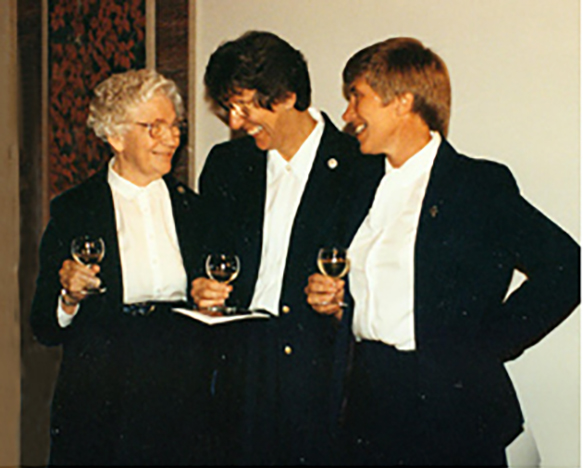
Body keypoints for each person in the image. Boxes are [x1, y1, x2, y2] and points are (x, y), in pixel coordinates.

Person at [306, 37, 581, 466]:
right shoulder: (359, 184)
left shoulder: (476, 186)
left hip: (448, 411)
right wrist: (341, 305)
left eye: (357, 98)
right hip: (367, 401)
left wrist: (489, 343)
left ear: (403, 102)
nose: (347, 114)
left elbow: (568, 267)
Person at [192, 31, 382, 465]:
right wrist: (202, 288)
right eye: (229, 108)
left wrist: (341, 299)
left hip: (318, 373)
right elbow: (206, 259)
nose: (235, 122)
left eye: (245, 106)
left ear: (287, 96)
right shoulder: (226, 166)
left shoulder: (362, 167)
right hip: (238, 367)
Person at [30, 69, 212, 466]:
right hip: (102, 389)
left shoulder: (195, 209)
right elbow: (43, 324)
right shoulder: (74, 210)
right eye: (154, 127)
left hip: (180, 386)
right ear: (115, 137)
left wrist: (210, 298)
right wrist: (68, 296)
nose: (171, 138)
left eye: (175, 125)